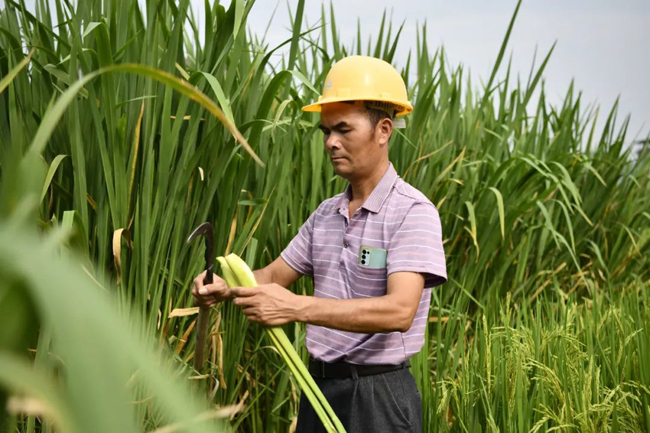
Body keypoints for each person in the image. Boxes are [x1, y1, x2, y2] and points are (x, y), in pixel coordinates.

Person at [193, 55, 447, 433]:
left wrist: (296, 307)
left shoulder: (412, 212)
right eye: (326, 131)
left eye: (343, 130)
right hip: (319, 390)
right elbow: (273, 276)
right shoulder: (326, 214)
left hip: (378, 396)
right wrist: (225, 287)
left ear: (383, 130)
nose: (331, 142)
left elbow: (399, 311)